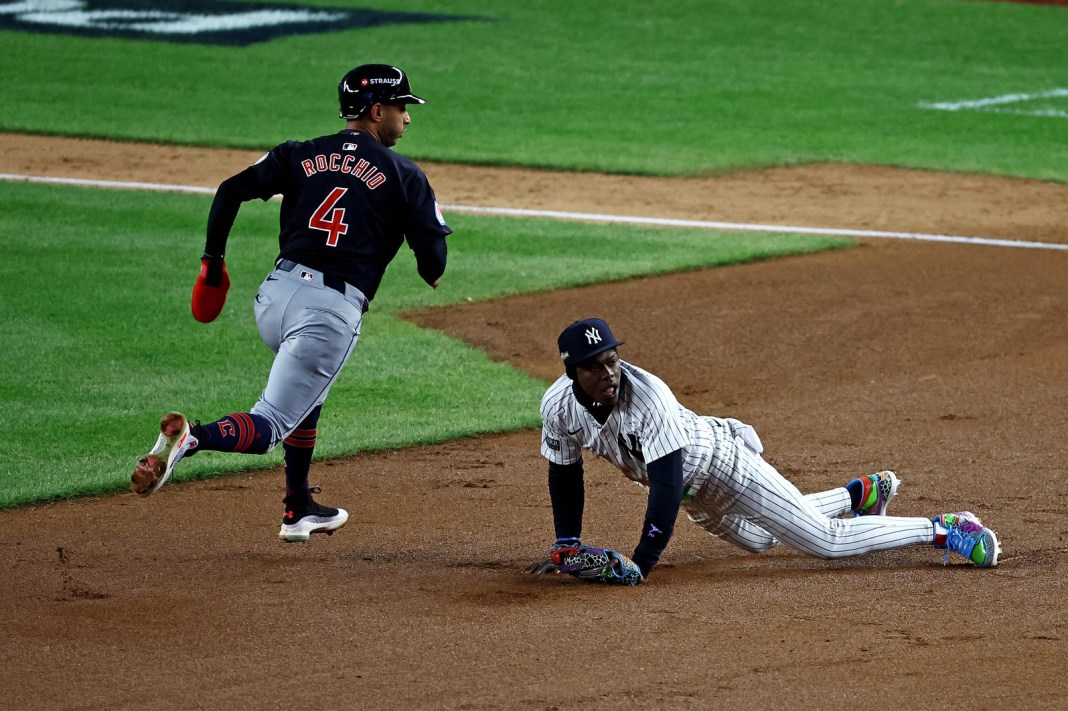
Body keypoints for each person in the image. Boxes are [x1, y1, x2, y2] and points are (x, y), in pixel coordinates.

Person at [131, 64, 451, 542]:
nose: (407, 118)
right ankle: (192, 437)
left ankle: (298, 507)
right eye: (402, 107)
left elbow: (230, 191)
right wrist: (413, 222)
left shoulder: (299, 153)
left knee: (307, 396)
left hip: (274, 298)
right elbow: (434, 266)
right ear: (377, 110)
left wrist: (213, 264)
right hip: (327, 314)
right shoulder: (405, 174)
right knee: (270, 423)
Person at [531, 317, 1001, 585]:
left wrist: (642, 561)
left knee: (826, 542)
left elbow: (666, 485)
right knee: (763, 539)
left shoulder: (648, 396)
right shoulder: (558, 407)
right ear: (574, 373)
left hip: (724, 468)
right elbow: (563, 474)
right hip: (693, 497)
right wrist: (567, 542)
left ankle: (944, 528)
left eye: (612, 359)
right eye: (595, 367)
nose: (609, 372)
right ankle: (858, 496)